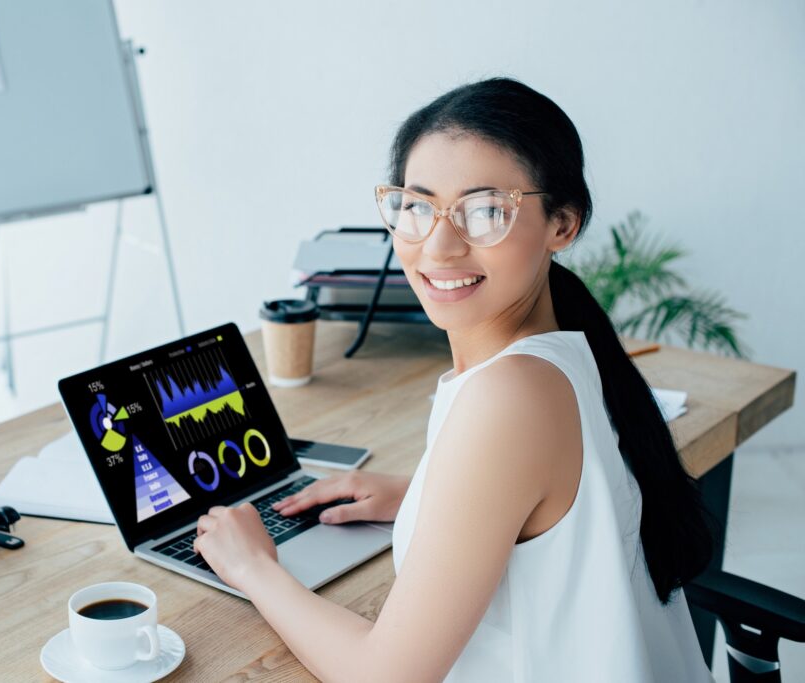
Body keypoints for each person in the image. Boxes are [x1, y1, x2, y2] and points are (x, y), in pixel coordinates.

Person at [193, 77, 715, 682]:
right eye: (417, 207)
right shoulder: (560, 352)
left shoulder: (510, 395)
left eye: (486, 211)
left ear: (562, 225)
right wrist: (427, 496)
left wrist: (253, 567)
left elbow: (385, 676)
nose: (439, 246)